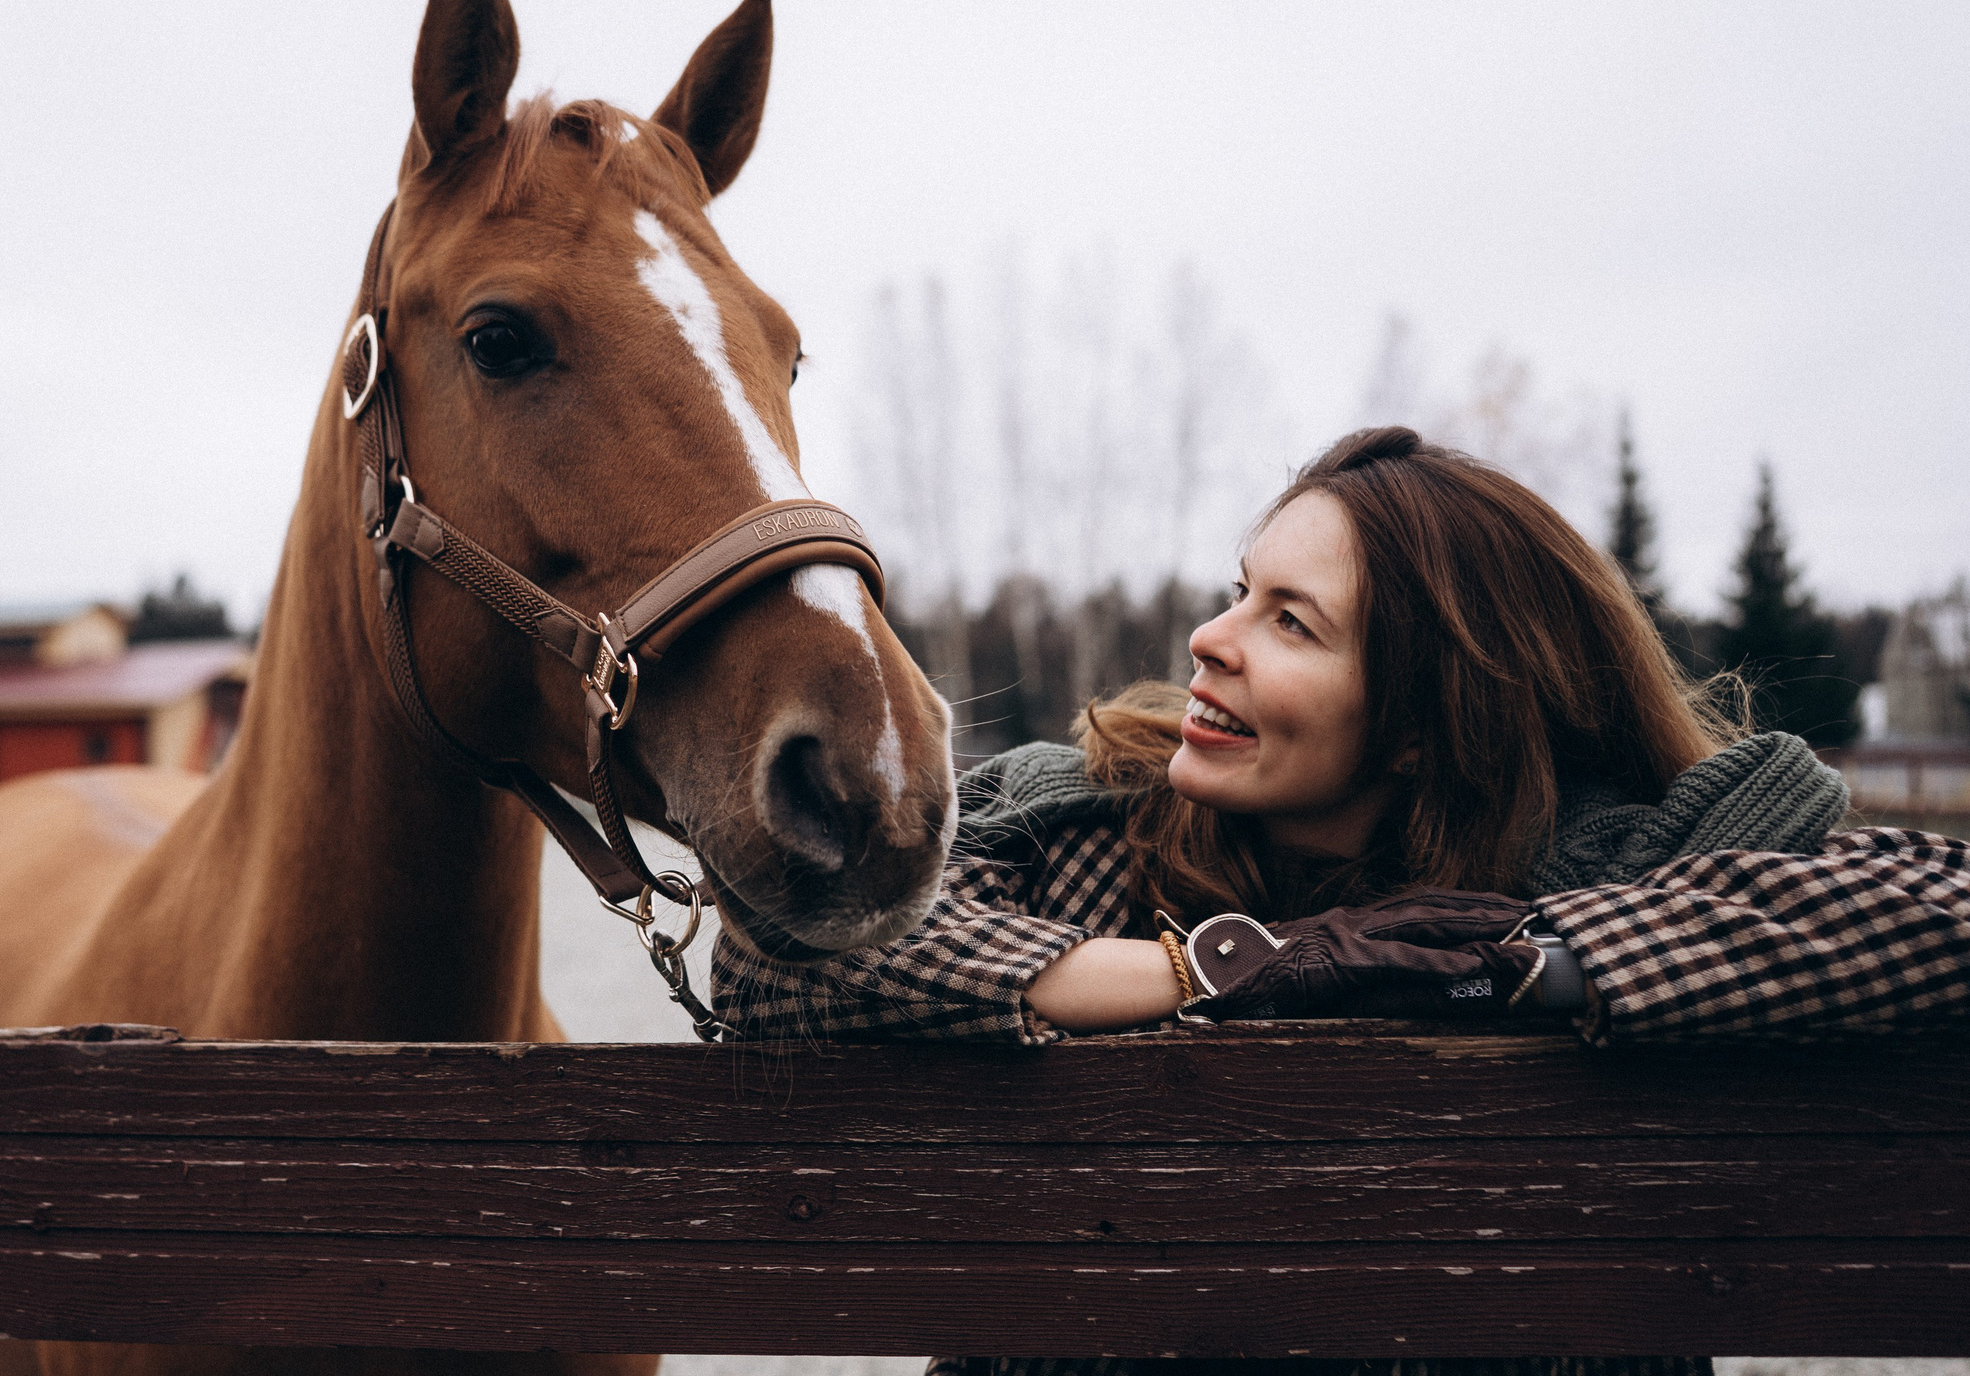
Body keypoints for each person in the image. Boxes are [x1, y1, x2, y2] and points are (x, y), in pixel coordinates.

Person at [711, 426, 1970, 1376]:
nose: (1211, 637)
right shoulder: (1079, 828)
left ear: (1427, 723)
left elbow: (1940, 916)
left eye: (1291, 622)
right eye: (1239, 588)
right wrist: (1220, 968)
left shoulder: (1627, 858)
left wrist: (1501, 964)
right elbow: (775, 953)